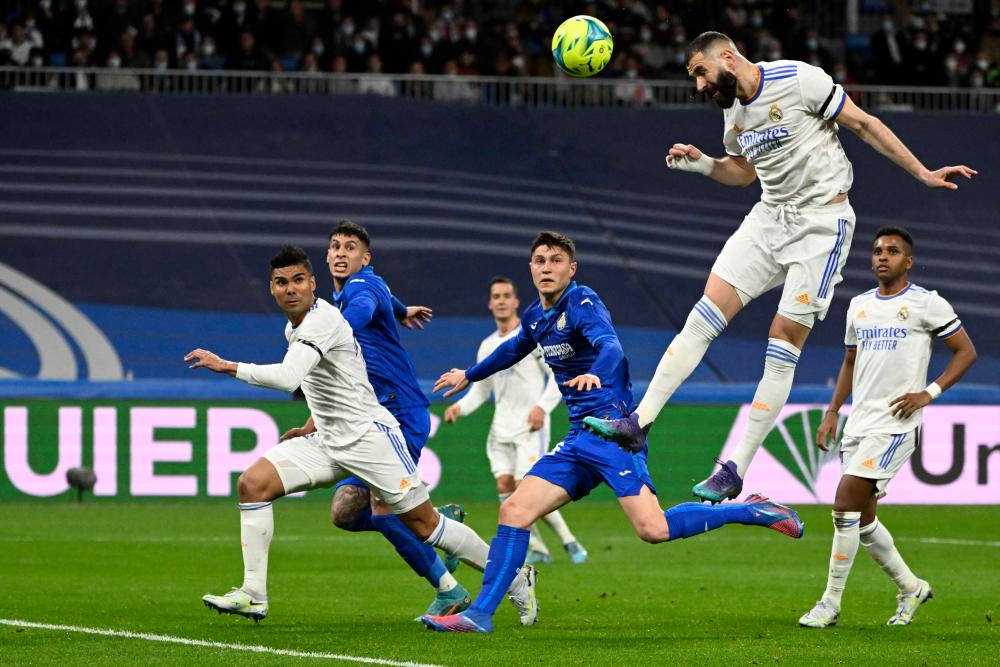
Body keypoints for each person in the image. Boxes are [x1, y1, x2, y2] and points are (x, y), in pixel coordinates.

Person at [583, 31, 978, 503]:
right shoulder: (733, 114)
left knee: (781, 340)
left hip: (822, 225)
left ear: (727, 57)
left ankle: (735, 468)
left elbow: (865, 125)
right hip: (770, 219)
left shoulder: (798, 79)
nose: (700, 87)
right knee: (704, 314)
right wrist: (704, 164)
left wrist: (923, 173)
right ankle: (638, 422)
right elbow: (745, 172)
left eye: (701, 73)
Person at [423, 231, 804, 634]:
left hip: (613, 433)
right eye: (539, 260)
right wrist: (469, 374)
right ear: (531, 268)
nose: (546, 267)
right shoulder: (536, 314)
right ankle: (480, 614)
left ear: (571, 269)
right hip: (577, 438)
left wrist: (595, 373)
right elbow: (515, 347)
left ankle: (753, 510)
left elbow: (611, 348)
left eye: (555, 260)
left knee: (652, 530)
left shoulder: (583, 302)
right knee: (514, 511)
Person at [187, 246, 537, 624]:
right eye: (281, 283)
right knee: (253, 484)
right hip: (329, 441)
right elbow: (325, 381)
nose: (291, 289)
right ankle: (253, 593)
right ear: (271, 288)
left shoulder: (324, 319)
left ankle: (516, 579)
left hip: (371, 439)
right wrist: (311, 423)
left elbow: (290, 376)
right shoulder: (294, 327)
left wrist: (228, 366)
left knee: (426, 525)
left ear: (313, 284)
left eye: (298, 281)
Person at [279, 220, 471, 619]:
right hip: (366, 418)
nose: (340, 253)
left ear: (365, 259)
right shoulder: (363, 289)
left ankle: (450, 588)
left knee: (385, 512)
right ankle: (437, 524)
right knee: (346, 513)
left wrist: (328, 334)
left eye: (350, 248)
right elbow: (344, 373)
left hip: (398, 414)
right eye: (334, 246)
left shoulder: (357, 294)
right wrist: (403, 312)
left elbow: (362, 311)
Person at [799, 227, 976, 628]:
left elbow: (966, 351)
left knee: (844, 504)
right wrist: (832, 412)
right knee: (862, 520)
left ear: (907, 261)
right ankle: (912, 588)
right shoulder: (859, 306)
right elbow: (849, 362)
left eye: (893, 251)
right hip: (859, 423)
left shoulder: (926, 303)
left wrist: (928, 392)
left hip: (896, 425)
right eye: (878, 250)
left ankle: (830, 602)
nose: (883, 256)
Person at [444, 276, 587, 565]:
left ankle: (569, 541)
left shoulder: (532, 335)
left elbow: (555, 377)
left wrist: (542, 408)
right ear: (490, 303)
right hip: (501, 429)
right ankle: (538, 548)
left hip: (529, 426)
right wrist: (460, 407)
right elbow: (482, 389)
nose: (501, 301)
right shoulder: (487, 346)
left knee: (527, 488)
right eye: (496, 296)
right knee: (505, 489)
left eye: (506, 295)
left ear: (515, 301)